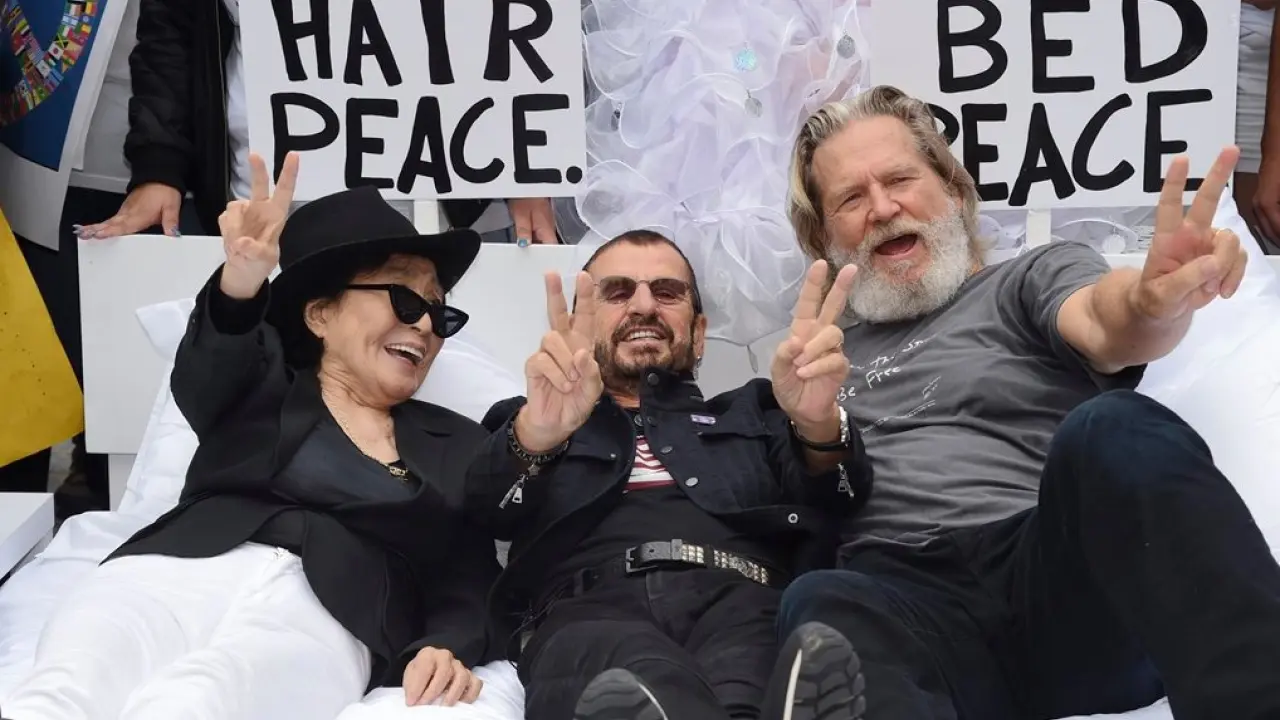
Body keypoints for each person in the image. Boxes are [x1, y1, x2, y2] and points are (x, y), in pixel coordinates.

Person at [775, 85, 1280, 720]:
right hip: (912, 613)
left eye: (900, 179)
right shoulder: (815, 358)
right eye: (851, 198)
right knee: (819, 601)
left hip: (1060, 584)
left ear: (954, 192)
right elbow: (809, 498)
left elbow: (1104, 321)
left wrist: (1149, 304)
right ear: (824, 237)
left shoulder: (1027, 277)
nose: (882, 208)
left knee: (1113, 425)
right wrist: (812, 419)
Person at [1, 153, 502, 720]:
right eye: (406, 299)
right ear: (320, 315)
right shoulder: (257, 387)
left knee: (198, 703)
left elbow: (469, 573)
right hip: (174, 568)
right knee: (59, 694)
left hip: (331, 614)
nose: (426, 324)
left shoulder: (459, 441)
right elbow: (210, 366)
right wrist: (241, 279)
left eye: (440, 313)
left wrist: (444, 645)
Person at [464, 229, 873, 720]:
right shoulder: (530, 420)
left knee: (762, 673)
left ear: (698, 334)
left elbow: (839, 497)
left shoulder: (757, 410)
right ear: (584, 324)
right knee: (628, 683)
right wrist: (539, 432)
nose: (643, 306)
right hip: (587, 615)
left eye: (666, 292)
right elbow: (486, 511)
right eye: (618, 292)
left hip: (744, 602)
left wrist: (816, 423)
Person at [73, 0, 556, 244]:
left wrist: (523, 161)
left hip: (436, 211)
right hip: (263, 212)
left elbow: (513, 17)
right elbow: (173, 29)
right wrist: (159, 167)